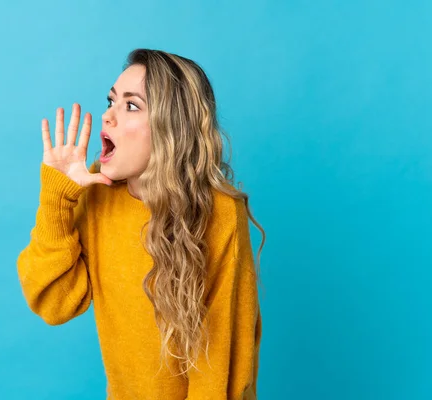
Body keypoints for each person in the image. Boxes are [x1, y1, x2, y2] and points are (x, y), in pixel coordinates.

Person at [17, 48, 265, 400]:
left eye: (131, 106)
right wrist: (58, 200)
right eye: (111, 101)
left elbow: (221, 364)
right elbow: (54, 303)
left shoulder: (219, 213)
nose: (108, 117)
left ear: (171, 128)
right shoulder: (97, 193)